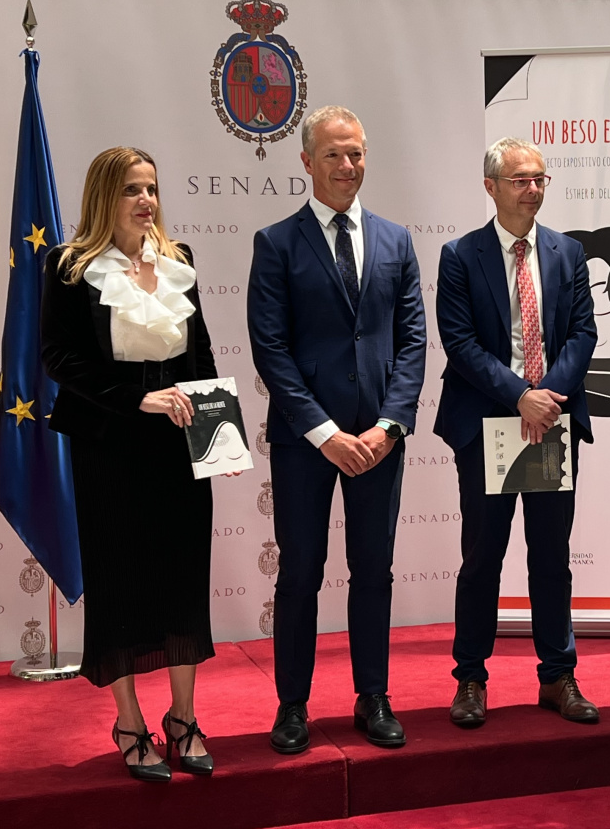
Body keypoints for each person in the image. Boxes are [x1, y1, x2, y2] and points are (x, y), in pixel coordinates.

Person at [42, 146, 225, 782]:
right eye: (131, 191)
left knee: (182, 578)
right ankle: (128, 722)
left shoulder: (180, 262)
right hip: (109, 449)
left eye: (150, 189)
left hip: (177, 449)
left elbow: (199, 357)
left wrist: (218, 437)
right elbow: (58, 360)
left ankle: (183, 717)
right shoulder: (68, 267)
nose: (145, 201)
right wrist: (134, 397)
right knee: (120, 582)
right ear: (104, 198)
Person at [247, 106, 427, 753]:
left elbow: (412, 342)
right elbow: (271, 350)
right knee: (301, 571)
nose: (348, 166)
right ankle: (292, 705)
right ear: (306, 163)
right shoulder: (276, 244)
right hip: (306, 442)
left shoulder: (396, 241)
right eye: (333, 155)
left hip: (379, 440)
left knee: (373, 569)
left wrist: (389, 426)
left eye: (356, 154)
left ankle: (372, 695)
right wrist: (324, 432)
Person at [433, 137, 599, 729]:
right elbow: (460, 343)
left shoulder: (568, 252)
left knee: (551, 557)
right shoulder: (459, 255)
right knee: (483, 558)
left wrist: (546, 398)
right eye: (520, 180)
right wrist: (518, 396)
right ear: (491, 187)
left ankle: (557, 676)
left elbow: (582, 334)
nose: (533, 189)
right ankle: (471, 680)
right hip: (487, 425)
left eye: (539, 179)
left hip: (550, 424)